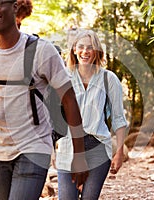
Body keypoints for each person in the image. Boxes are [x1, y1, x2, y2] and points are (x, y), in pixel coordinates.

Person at [0, 0, 88, 200]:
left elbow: (70, 101)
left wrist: (80, 156)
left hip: (34, 147)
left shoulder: (41, 51)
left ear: (14, 6)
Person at [55, 29, 128, 200]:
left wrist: (119, 153)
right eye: (81, 47)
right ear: (74, 49)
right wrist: (51, 151)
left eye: (90, 47)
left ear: (97, 51)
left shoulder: (108, 79)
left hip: (97, 148)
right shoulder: (63, 77)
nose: (85, 51)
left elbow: (118, 118)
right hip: (68, 148)